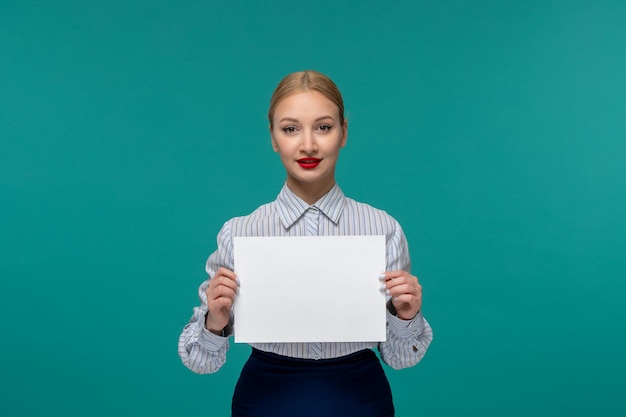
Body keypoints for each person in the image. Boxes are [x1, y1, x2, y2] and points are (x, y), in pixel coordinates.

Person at [178, 70, 433, 416]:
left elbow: (402, 359)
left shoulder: (383, 228)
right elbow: (201, 363)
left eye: (324, 127)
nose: (308, 145)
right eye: (290, 128)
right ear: (272, 136)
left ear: (343, 132)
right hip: (266, 399)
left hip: (359, 399)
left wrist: (406, 316)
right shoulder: (240, 233)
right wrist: (215, 320)